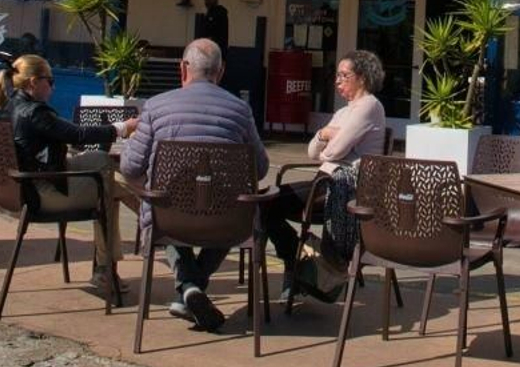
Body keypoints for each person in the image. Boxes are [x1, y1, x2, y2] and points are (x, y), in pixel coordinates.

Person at [120, 37, 268, 332]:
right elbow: (260, 168)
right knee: (237, 210)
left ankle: (189, 286)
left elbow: (129, 166)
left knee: (163, 205)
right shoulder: (240, 111)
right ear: (221, 71)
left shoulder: (156, 107)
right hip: (225, 221)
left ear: (183, 68)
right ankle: (193, 287)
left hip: (169, 219)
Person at [0, 54, 128, 298]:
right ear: (33, 82)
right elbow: (78, 134)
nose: (54, 86)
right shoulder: (34, 113)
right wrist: (123, 128)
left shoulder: (7, 107)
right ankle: (108, 265)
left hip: (16, 188)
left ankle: (109, 263)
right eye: (50, 81)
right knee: (108, 189)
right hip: (39, 194)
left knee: (101, 162)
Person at [262, 50, 386, 300]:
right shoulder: (343, 112)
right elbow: (312, 151)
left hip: (344, 187)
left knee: (266, 205)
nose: (337, 81)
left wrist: (330, 141)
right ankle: (297, 261)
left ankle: (296, 264)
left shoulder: (369, 106)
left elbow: (334, 151)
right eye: (337, 75)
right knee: (265, 203)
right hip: (325, 182)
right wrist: (325, 135)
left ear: (361, 77)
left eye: (343, 75)